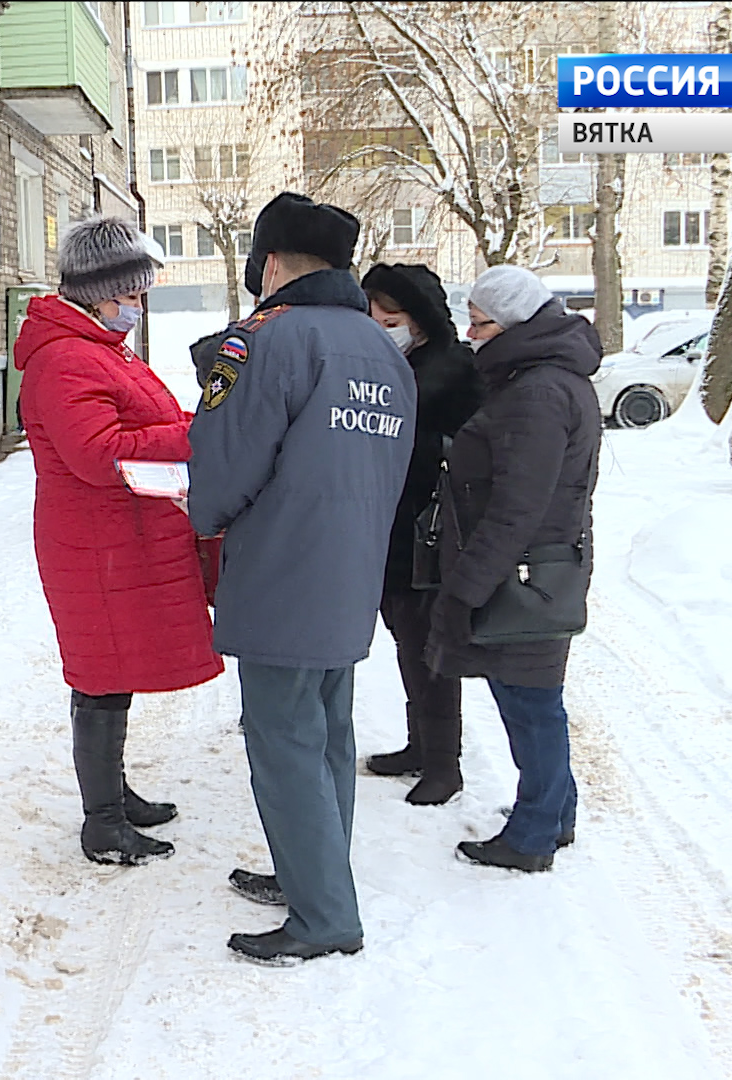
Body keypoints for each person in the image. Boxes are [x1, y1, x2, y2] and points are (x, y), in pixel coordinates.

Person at [188, 194, 415, 965]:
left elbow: (223, 464)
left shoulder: (264, 341)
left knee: (283, 739)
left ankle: (322, 915)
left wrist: (203, 515)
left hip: (283, 564)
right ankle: (312, 874)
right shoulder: (381, 348)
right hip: (352, 567)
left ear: (271, 265)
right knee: (327, 734)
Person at [15, 216, 226, 867]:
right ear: (97, 292)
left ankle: (115, 793)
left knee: (112, 671)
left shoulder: (98, 349)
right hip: (95, 543)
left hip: (111, 537)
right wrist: (199, 435)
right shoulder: (66, 358)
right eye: (130, 295)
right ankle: (103, 821)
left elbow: (139, 425)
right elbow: (97, 452)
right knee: (100, 677)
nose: (137, 306)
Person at [427, 264, 603, 873]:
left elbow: (518, 504)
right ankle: (554, 815)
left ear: (515, 324)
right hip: (540, 567)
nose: (470, 335)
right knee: (535, 702)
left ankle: (531, 837)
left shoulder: (537, 392)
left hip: (525, 575)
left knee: (531, 706)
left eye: (480, 324)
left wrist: (465, 588)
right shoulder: (540, 378)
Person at [359, 264, 484, 806]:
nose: (382, 327)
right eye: (375, 318)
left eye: (393, 319)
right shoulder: (400, 360)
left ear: (423, 321)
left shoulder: (447, 369)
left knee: (430, 650)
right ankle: (419, 745)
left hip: (429, 534)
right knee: (408, 644)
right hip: (393, 531)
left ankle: (443, 764)